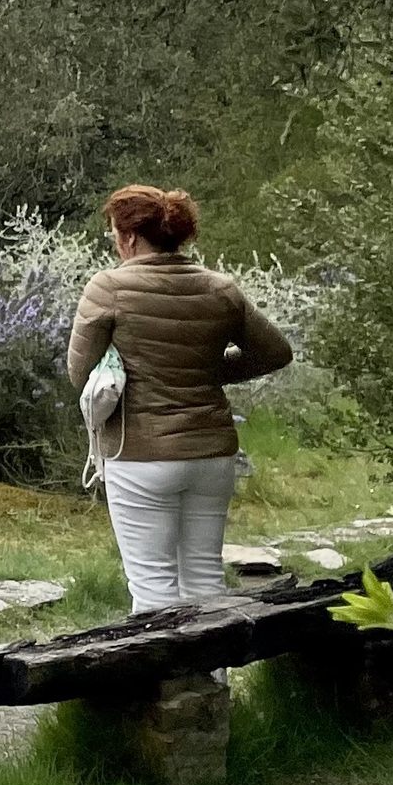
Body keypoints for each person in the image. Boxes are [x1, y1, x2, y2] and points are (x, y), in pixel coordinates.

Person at [68, 184, 292, 614]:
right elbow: (276, 352)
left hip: (141, 455)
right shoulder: (220, 288)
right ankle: (217, 660)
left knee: (152, 589)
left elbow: (81, 373)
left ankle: (162, 663)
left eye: (114, 232)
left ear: (130, 237)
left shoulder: (108, 287)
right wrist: (206, 370)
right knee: (205, 580)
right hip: (212, 454)